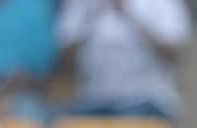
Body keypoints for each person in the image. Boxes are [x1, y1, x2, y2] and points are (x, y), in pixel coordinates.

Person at [57, 0, 192, 120]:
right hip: (92, 99)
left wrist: (130, 15)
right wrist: (90, 18)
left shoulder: (164, 3)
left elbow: (174, 55)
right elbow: (64, 58)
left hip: (147, 99)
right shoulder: (79, 3)